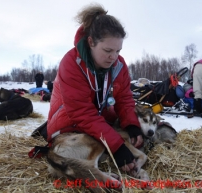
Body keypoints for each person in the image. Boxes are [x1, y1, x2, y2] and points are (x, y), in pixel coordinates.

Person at [46, 4, 143, 173]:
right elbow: (81, 112)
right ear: (91, 42)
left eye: (118, 50)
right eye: (107, 50)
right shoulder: (71, 64)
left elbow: (124, 98)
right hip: (69, 121)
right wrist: (116, 146)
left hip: (97, 117)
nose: (113, 57)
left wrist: (131, 124)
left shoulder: (119, 65)